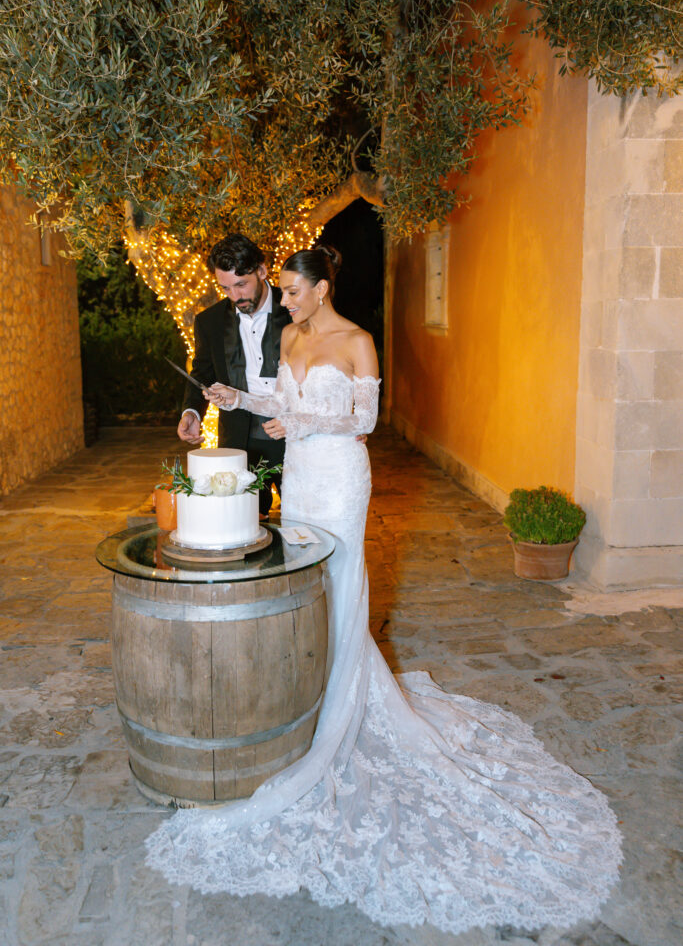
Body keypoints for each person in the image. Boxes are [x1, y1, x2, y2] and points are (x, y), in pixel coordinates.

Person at [146, 245, 621, 936]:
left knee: (340, 580)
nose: (282, 300)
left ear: (319, 287)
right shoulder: (290, 335)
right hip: (303, 475)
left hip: (339, 476)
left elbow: (365, 423)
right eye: (279, 290)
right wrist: (237, 398)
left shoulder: (358, 342)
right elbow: (278, 401)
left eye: (290, 290)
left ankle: (342, 703)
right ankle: (315, 687)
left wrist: (302, 423)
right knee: (306, 586)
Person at [177, 233, 290, 514]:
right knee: (245, 523)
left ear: (262, 271)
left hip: (293, 437)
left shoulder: (294, 309)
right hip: (239, 443)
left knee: (302, 523)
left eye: (241, 284)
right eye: (226, 288)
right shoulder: (210, 321)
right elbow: (202, 372)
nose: (235, 296)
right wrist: (192, 412)